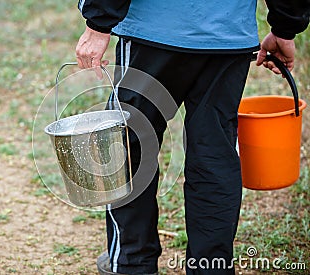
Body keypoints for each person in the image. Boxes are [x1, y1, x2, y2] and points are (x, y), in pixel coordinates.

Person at [75, 1, 309, 274]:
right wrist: (285, 26)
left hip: (153, 31)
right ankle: (212, 267)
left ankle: (132, 263)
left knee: (128, 144)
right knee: (214, 153)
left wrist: (98, 23)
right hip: (227, 36)